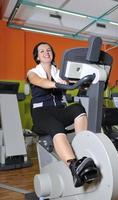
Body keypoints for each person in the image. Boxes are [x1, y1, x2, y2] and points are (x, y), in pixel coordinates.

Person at [27, 42, 98, 187]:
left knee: (78, 108)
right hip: (41, 113)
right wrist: (57, 83)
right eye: (42, 51)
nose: (46, 52)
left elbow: (72, 80)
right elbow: (39, 81)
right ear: (37, 57)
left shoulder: (59, 73)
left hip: (59, 110)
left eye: (49, 50)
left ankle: (81, 149)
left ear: (52, 54)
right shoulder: (33, 72)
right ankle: (74, 169)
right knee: (57, 127)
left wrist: (85, 79)